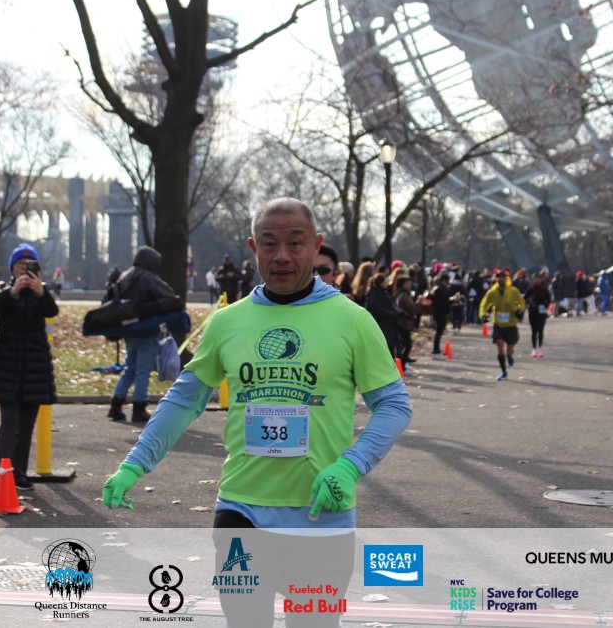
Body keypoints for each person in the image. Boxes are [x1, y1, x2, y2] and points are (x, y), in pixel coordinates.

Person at [101, 197, 412, 627]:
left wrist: (350, 465)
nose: (281, 255)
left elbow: (394, 405)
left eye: (295, 243)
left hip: (320, 515)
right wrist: (135, 464)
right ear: (253, 248)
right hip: (241, 510)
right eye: (269, 244)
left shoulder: (352, 320)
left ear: (315, 245)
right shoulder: (228, 322)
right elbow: (185, 399)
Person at [0, 243, 59, 491]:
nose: (24, 270)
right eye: (19, 265)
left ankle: (18, 473)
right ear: (12, 268)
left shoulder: (42, 291)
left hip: (34, 368)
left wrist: (40, 292)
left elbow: (52, 309)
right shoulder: (4, 289)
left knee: (26, 424)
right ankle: (0, 473)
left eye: (29, 265)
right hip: (7, 368)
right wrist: (13, 291)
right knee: (10, 421)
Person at [107, 246, 179, 423]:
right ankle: (139, 407)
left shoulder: (125, 276)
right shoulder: (148, 277)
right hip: (147, 329)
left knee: (130, 369)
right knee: (143, 371)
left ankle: (116, 405)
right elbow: (169, 295)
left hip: (129, 330)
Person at [479, 268, 526, 381]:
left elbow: (521, 302)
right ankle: (504, 372)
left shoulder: (514, 291)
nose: (501, 279)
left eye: (503, 277)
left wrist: (520, 311)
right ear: (496, 279)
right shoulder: (492, 292)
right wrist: (483, 315)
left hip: (511, 324)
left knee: (509, 349)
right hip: (498, 324)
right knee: (499, 345)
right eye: (499, 277)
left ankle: (509, 355)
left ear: (507, 278)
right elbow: (484, 305)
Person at [524, 270, 551, 358]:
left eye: (538, 278)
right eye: (535, 278)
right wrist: (530, 302)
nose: (536, 280)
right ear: (533, 280)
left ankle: (540, 348)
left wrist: (546, 305)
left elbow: (549, 299)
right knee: (534, 331)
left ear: (541, 279)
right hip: (532, 312)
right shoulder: (530, 289)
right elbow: (525, 299)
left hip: (542, 312)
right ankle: (534, 349)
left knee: (540, 330)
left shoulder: (544, 289)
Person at [393, 276, 418, 367]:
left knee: (404, 344)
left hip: (404, 322)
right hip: (402, 322)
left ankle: (402, 363)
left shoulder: (404, 294)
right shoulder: (403, 295)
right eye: (407, 283)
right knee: (407, 344)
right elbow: (412, 308)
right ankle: (401, 366)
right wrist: (418, 302)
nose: (409, 285)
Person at [429, 272, 453, 358]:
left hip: (439, 312)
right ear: (443, 281)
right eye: (446, 281)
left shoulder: (438, 289)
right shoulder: (440, 290)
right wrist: (452, 300)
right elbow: (444, 301)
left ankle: (437, 350)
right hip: (440, 312)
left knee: (439, 332)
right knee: (438, 332)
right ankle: (436, 351)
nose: (447, 283)